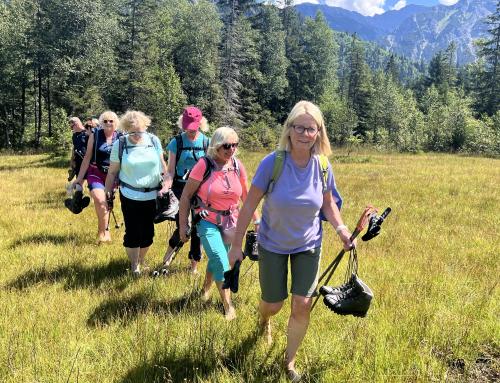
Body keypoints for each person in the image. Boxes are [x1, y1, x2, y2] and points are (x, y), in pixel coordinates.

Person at [227, 101, 354, 381]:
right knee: (273, 304)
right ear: (289, 129)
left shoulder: (322, 165)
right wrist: (236, 246)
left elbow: (328, 203)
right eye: (299, 126)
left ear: (319, 133)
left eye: (311, 128)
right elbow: (248, 206)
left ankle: (289, 361)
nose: (304, 133)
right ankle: (264, 320)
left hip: (308, 245)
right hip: (272, 244)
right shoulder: (273, 163)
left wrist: (342, 229)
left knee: (302, 304)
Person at [178, 126, 259, 321]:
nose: (231, 149)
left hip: (232, 221)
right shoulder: (203, 165)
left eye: (235, 145)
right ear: (216, 145)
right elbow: (186, 196)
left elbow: (246, 196)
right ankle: (228, 306)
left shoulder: (238, 165)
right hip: (207, 221)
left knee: (221, 258)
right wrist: (183, 226)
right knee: (220, 260)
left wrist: (257, 218)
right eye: (226, 145)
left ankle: (205, 289)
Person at [104, 110, 169, 276]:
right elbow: (112, 172)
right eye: (132, 132)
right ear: (125, 129)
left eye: (140, 131)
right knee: (133, 232)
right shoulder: (120, 144)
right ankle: (134, 266)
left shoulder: (154, 140)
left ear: (145, 127)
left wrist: (166, 186)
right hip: (129, 195)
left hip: (153, 195)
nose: (136, 135)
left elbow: (163, 166)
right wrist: (108, 192)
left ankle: (141, 259)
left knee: (148, 233)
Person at [161, 106, 210, 274]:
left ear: (201, 124)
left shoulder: (206, 143)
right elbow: (170, 170)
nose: (190, 131)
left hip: (200, 189)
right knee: (183, 225)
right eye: (187, 127)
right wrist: (166, 187)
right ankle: (167, 259)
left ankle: (193, 267)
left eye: (194, 127)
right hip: (180, 188)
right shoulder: (177, 142)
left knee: (199, 227)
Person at [74, 111, 121, 243]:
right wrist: (79, 178)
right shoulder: (95, 136)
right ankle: (103, 233)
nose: (108, 123)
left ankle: (104, 229)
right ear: (101, 123)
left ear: (116, 123)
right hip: (95, 173)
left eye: (111, 121)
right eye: (105, 121)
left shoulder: (120, 137)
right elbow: (87, 157)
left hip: (113, 175)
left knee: (106, 203)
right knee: (100, 201)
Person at [68, 117, 90, 182]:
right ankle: (79, 190)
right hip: (78, 159)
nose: (71, 128)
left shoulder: (87, 133)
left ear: (77, 124)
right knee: (79, 176)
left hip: (87, 160)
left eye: (72, 126)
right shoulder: (74, 135)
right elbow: (74, 148)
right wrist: (72, 159)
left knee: (90, 177)